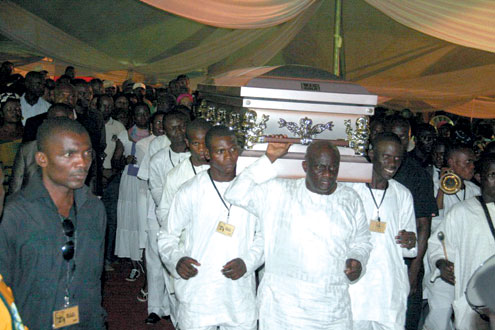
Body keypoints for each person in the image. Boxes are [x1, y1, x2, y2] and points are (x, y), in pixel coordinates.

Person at [225, 139, 372, 329]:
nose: (327, 174)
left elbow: (362, 241)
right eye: (320, 168)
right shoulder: (279, 191)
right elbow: (235, 193)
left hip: (332, 308)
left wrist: (357, 260)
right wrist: (268, 158)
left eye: (333, 168)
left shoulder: (350, 199)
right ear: (305, 166)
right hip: (283, 309)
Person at [0, 117, 106, 329]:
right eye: (70, 154)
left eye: (87, 153)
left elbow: (94, 279)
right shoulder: (15, 214)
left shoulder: (94, 209)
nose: (82, 163)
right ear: (42, 159)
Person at [158, 126, 264, 330]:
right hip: (199, 291)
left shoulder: (253, 190)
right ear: (207, 153)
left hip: (238, 293)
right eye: (220, 151)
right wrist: (176, 259)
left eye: (233, 149)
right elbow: (166, 236)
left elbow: (265, 237)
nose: (229, 157)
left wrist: (248, 262)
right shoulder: (190, 190)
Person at [346, 132, 417, 330]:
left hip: (389, 288)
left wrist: (411, 242)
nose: (392, 163)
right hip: (356, 287)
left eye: (397, 158)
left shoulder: (402, 194)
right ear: (371, 154)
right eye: (386, 156)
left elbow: (409, 249)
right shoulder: (351, 189)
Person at [153, 118, 212, 325]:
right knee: (187, 314)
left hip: (215, 251)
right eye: (196, 143)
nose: (202, 148)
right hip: (187, 250)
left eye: (207, 142)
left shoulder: (223, 169)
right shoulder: (176, 176)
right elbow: (165, 214)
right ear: (188, 143)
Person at [427, 153, 495, 330]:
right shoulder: (462, 212)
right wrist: (442, 263)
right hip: (474, 302)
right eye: (493, 175)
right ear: (480, 178)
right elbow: (438, 244)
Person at [385, 116, 438, 330]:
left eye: (403, 137)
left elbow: (423, 226)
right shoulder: (371, 171)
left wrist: (414, 272)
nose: (399, 141)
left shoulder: (418, 174)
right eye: (394, 135)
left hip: (407, 262)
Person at [114, 102, 150, 280]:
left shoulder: (154, 135)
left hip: (146, 183)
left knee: (142, 221)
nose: (142, 118)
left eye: (145, 114)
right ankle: (134, 264)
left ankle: (146, 261)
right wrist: (124, 161)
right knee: (130, 220)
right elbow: (115, 161)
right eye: (138, 114)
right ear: (133, 116)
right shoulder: (124, 135)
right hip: (129, 181)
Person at [10, 103, 75, 194]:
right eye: (54, 120)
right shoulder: (27, 150)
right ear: (46, 122)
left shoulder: (81, 151)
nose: (59, 124)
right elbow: (15, 188)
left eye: (63, 120)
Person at [0, 93, 23, 194]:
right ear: (1, 113)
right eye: (9, 110)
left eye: (17, 109)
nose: (15, 112)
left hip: (23, 184)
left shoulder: (27, 132)